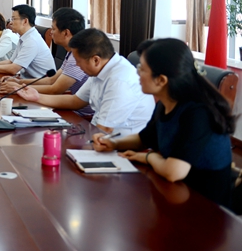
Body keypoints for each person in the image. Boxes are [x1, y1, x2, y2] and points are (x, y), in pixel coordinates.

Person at [92, 38, 235, 207]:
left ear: (161, 80)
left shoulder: (197, 113)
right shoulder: (167, 102)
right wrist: (113, 143)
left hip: (205, 205)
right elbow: (144, 138)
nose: (137, 72)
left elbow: (174, 172)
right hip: (176, 192)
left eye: (142, 68)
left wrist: (149, 157)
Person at [19, 28, 154, 134]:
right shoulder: (101, 69)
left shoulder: (119, 81)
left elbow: (104, 129)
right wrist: (37, 97)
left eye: (78, 61)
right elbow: (75, 101)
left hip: (120, 149)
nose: (77, 65)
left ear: (95, 60)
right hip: (97, 133)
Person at [0, 8, 91, 115]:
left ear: (66, 33)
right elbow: (51, 80)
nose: (51, 32)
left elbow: (55, 89)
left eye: (53, 29)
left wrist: (19, 88)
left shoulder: (77, 57)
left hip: (80, 116)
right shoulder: (71, 53)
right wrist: (18, 82)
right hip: (70, 109)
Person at [0, 4, 55, 77]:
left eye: (14, 19)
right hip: (26, 80)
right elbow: (11, 62)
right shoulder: (24, 37)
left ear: (25, 21)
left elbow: (13, 69)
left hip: (39, 83)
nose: (11, 23)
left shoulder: (31, 41)